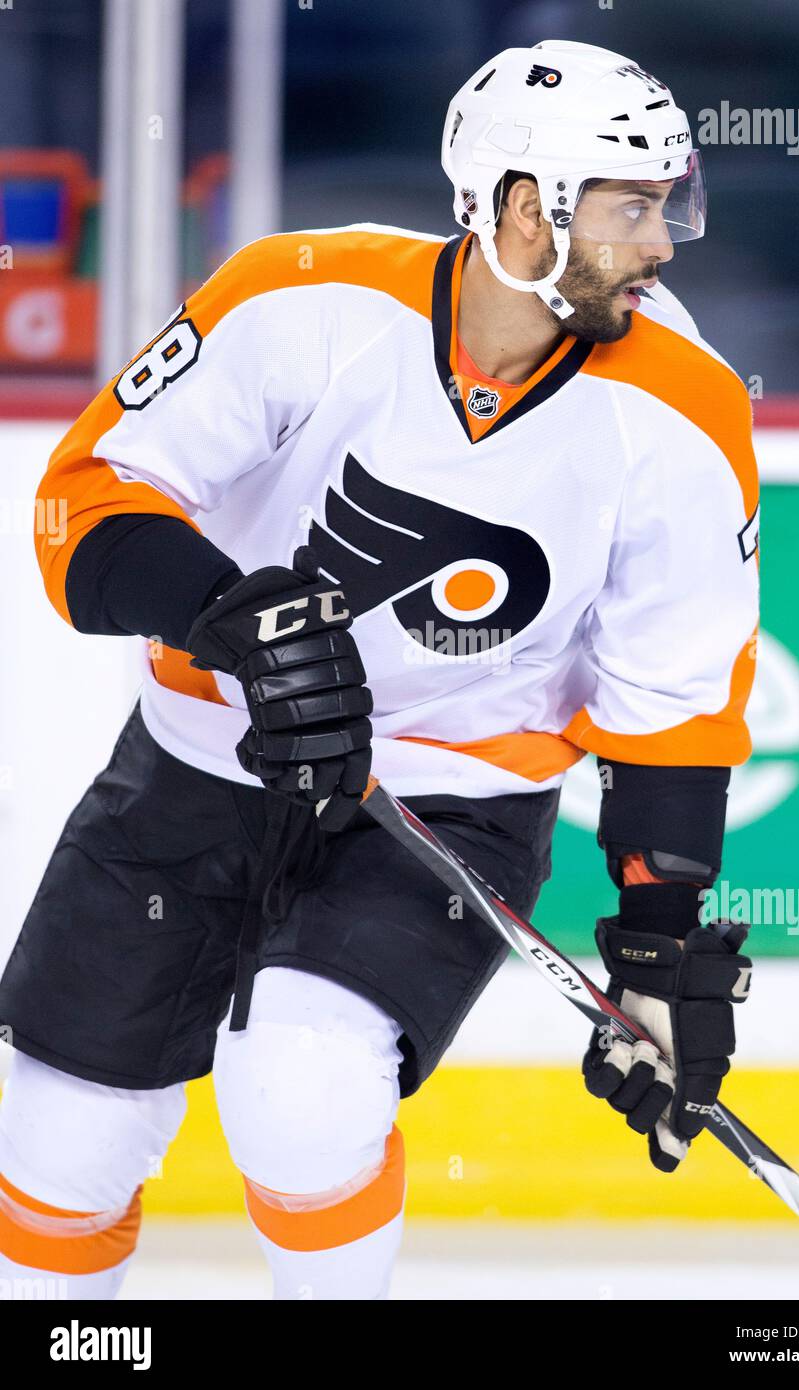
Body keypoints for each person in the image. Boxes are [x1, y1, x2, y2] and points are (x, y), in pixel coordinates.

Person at [0, 39, 757, 1300]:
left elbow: (673, 705)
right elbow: (88, 503)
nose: (665, 242)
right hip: (197, 773)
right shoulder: (298, 299)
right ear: (527, 209)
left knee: (300, 1090)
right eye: (633, 208)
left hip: (442, 813)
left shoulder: (681, 411)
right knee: (56, 1140)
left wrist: (658, 953)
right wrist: (234, 620)